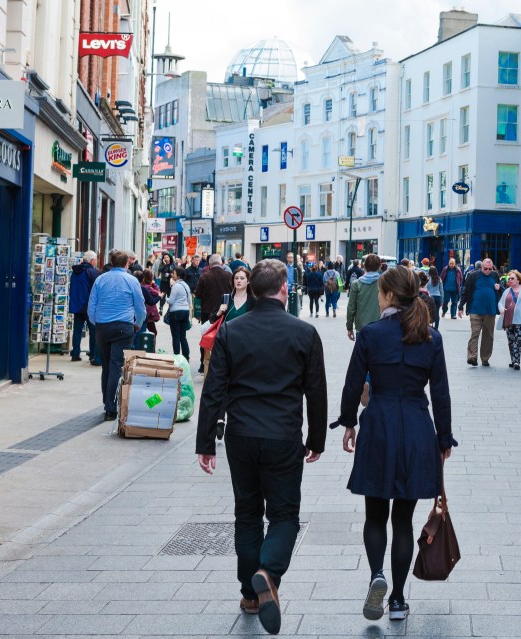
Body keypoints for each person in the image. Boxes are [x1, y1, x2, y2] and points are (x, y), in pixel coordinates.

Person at [195, 259, 327, 635]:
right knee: (284, 515)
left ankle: (249, 594)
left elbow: (214, 388)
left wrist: (206, 442)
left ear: (251, 290)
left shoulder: (232, 331)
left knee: (247, 512)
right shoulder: (304, 333)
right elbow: (316, 392)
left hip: (241, 435)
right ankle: (267, 572)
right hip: (284, 435)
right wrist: (316, 439)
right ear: (284, 290)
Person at [332, 265, 456, 622]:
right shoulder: (431, 337)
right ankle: (398, 601)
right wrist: (444, 438)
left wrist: (348, 423)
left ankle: (377, 576)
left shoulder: (371, 334)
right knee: (403, 519)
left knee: (375, 515)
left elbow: (352, 384)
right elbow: (442, 393)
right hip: (417, 427)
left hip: (381, 425)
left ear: (386, 295)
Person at [87, 250, 146, 421]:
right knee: (116, 365)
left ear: (111, 263)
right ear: (127, 263)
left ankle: (107, 402)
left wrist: (95, 323)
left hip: (103, 327)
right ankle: (111, 407)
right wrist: (138, 323)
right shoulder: (131, 280)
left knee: (106, 365)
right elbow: (140, 306)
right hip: (123, 326)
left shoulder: (100, 279)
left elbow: (92, 305)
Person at [194, 255, 234, 373]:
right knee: (224, 338)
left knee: (206, 336)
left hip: (207, 312)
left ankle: (203, 363)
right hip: (225, 311)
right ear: (221, 263)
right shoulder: (229, 276)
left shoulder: (204, 277)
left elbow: (198, 296)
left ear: (209, 265)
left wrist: (197, 314)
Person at [458, 258, 500, 366]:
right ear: (481, 267)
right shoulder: (473, 276)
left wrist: (499, 288)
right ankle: (472, 357)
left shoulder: (495, 276)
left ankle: (485, 358)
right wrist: (461, 306)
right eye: (485, 268)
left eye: (490, 269)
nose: (487, 271)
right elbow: (466, 291)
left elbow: (500, 291)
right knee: (475, 333)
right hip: (475, 309)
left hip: (490, 311)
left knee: (488, 336)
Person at [69, 251, 100, 364]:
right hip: (88, 306)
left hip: (77, 305)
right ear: (92, 261)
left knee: (77, 330)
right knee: (93, 330)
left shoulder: (75, 272)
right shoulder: (92, 272)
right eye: (95, 260)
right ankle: (92, 354)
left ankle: (75, 353)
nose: (96, 262)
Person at [346, 253, 382, 341]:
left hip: (362, 327)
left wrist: (349, 327)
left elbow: (351, 308)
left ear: (364, 266)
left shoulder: (356, 284)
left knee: (362, 353)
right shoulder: (384, 283)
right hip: (380, 326)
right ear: (379, 267)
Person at [166, 266, 192, 361]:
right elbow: (189, 300)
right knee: (183, 336)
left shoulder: (176, 286)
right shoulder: (186, 285)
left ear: (178, 275)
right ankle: (186, 357)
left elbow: (171, 301)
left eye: (174, 273)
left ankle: (177, 356)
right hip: (185, 311)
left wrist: (165, 298)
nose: (172, 275)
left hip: (176, 313)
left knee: (175, 336)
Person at [141, 269, 162, 335]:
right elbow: (157, 293)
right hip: (149, 313)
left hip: (145, 312)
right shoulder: (148, 287)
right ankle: (151, 345)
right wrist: (154, 284)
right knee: (153, 332)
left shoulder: (143, 285)